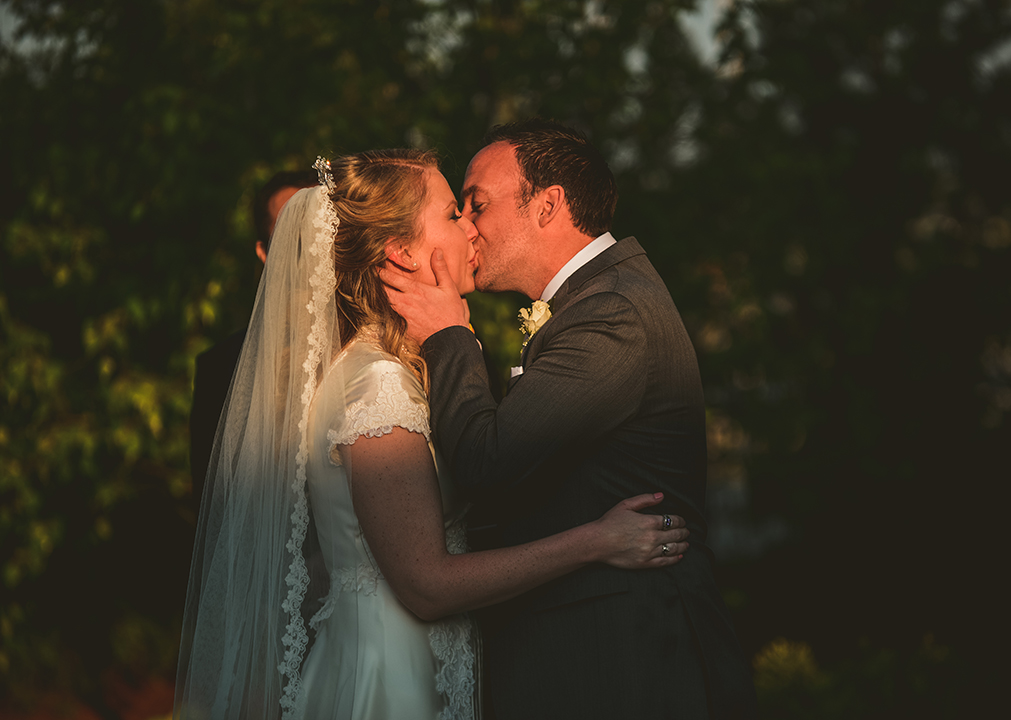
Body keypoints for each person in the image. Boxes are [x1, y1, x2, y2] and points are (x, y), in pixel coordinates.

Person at [173, 149, 689, 720]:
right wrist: (596, 540)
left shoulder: (396, 372)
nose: (470, 229)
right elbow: (426, 584)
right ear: (401, 252)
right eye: (451, 214)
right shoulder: (378, 387)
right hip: (388, 683)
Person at [382, 120, 758, 719]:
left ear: (548, 205)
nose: (468, 228)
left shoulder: (613, 314)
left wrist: (449, 334)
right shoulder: (595, 302)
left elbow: (489, 464)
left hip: (627, 659)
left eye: (476, 205)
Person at [189, 169, 316, 497]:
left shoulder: (373, 340)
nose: (304, 238)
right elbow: (212, 504)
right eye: (289, 227)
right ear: (263, 251)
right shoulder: (220, 367)